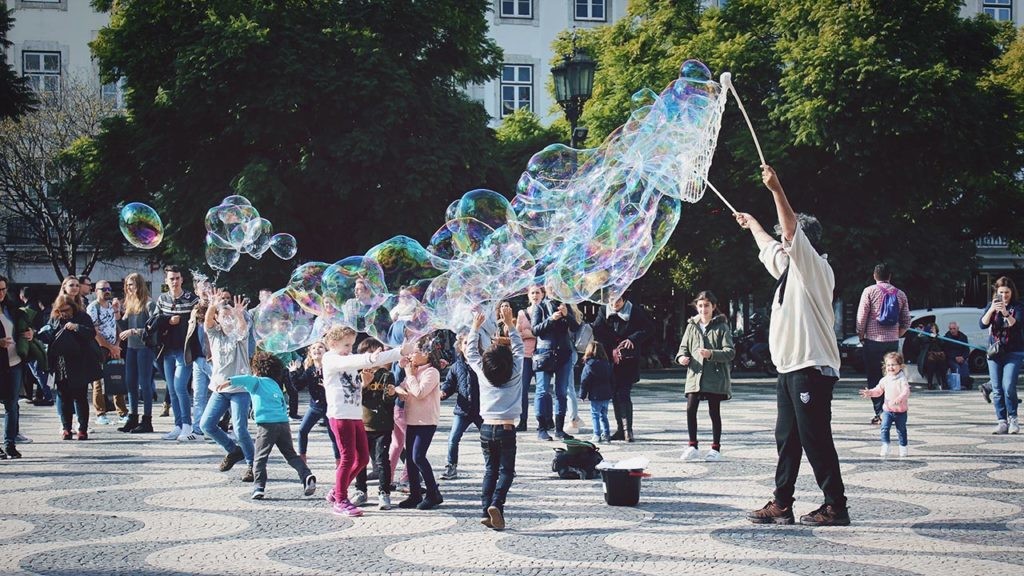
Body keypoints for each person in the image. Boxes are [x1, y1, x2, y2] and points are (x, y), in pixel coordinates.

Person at [737, 164, 849, 527]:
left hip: (811, 367)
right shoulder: (788, 270)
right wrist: (752, 222)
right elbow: (770, 244)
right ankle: (782, 502)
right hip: (789, 369)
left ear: (805, 243)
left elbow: (788, 231)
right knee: (786, 438)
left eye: (791, 242)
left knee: (815, 439)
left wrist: (776, 189)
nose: (785, 245)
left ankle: (836, 506)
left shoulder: (816, 268)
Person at [321, 325, 407, 517]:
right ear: (332, 344)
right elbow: (359, 360)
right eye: (345, 345)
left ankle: (337, 490)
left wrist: (400, 352)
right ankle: (341, 499)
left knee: (362, 459)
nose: (349, 349)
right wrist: (370, 358)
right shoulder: (330, 359)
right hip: (340, 415)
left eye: (351, 344)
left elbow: (353, 387)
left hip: (354, 414)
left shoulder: (347, 361)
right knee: (348, 458)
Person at [218, 351, 316, 500]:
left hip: (266, 425)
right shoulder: (276, 385)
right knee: (290, 455)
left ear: (256, 370)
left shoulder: (257, 381)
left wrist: (229, 381)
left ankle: (259, 486)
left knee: (260, 457)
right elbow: (283, 404)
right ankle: (306, 475)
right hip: (283, 424)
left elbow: (246, 379)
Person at [464, 304, 523, 531]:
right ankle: (496, 505)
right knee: (507, 471)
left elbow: (471, 353)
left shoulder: (483, 372)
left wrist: (475, 328)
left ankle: (485, 511)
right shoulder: (515, 371)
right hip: (507, 429)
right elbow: (518, 348)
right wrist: (509, 324)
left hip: (486, 428)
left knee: (490, 469)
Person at [200, 290, 255, 480]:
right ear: (218, 319)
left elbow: (242, 328)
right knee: (206, 425)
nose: (227, 319)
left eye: (229, 316)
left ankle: (252, 465)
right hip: (220, 389)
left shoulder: (240, 335)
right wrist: (213, 305)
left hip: (240, 389)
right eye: (223, 316)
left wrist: (239, 315)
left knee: (240, 429)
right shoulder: (215, 334)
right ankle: (233, 450)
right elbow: (207, 323)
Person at [675, 290, 734, 462]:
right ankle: (692, 445)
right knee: (690, 409)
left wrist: (711, 354)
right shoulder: (691, 326)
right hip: (695, 374)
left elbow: (730, 352)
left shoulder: (721, 326)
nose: (703, 309)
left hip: (714, 376)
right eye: (700, 306)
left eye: (706, 306)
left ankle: (715, 448)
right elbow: (682, 349)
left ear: (713, 307)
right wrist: (681, 358)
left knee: (714, 411)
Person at [592, 292, 654, 442]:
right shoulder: (603, 310)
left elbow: (648, 329)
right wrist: (611, 340)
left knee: (623, 393)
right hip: (610, 358)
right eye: (612, 299)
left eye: (618, 299)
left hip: (628, 358)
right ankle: (620, 429)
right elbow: (597, 330)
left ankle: (628, 430)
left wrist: (632, 339)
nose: (615, 303)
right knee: (613, 393)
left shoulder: (634, 310)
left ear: (624, 299)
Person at [38, 294, 101, 440]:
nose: (64, 313)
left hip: (79, 362)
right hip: (60, 364)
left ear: (72, 307)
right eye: (61, 311)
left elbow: (91, 333)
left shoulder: (82, 317)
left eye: (66, 310)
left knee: (80, 397)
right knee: (63, 396)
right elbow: (49, 336)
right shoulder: (55, 319)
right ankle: (66, 428)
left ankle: (82, 429)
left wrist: (76, 327)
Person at [394, 334, 444, 510]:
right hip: (412, 419)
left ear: (426, 354)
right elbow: (401, 386)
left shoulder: (432, 372)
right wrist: (400, 388)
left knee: (418, 456)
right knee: (410, 458)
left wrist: (409, 376)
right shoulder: (415, 371)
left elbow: (420, 392)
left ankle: (433, 493)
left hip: (426, 421)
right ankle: (415, 494)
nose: (411, 356)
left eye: (415, 352)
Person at [856, 263, 910, 424]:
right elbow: (907, 321)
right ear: (890, 276)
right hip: (892, 343)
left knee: (874, 378)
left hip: (873, 341)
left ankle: (880, 412)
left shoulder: (869, 291)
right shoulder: (900, 294)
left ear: (874, 276)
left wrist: (861, 335)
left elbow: (861, 317)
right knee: (892, 377)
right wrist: (896, 334)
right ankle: (892, 410)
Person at [154, 266, 200, 440]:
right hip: (167, 350)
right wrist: (168, 320)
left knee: (180, 386)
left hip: (184, 350)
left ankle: (187, 425)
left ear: (182, 279)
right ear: (166, 281)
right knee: (172, 389)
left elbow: (198, 318)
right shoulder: (162, 299)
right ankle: (178, 425)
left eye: (177, 278)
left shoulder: (190, 299)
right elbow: (156, 321)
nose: (174, 281)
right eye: (171, 278)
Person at [352, 338, 398, 510]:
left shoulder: (387, 375)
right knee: (361, 460)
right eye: (368, 354)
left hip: (382, 426)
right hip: (362, 424)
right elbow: (354, 399)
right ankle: (360, 490)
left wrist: (391, 394)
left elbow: (388, 401)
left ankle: (384, 493)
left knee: (381, 460)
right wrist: (365, 384)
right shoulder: (358, 374)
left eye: (376, 353)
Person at [530, 284, 579, 440]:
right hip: (545, 353)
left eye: (556, 286)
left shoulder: (565, 306)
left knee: (562, 392)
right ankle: (542, 429)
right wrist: (551, 319)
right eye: (551, 287)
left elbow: (575, 327)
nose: (554, 290)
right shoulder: (540, 307)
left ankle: (559, 429)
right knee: (542, 391)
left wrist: (567, 315)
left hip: (564, 352)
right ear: (547, 290)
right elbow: (535, 330)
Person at [116, 273, 159, 433]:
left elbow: (154, 330)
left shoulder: (149, 304)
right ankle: (132, 417)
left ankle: (147, 420)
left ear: (140, 285)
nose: (129, 288)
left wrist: (134, 331)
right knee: (130, 383)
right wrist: (117, 315)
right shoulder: (129, 303)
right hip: (132, 348)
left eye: (132, 284)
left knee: (145, 384)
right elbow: (123, 328)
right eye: (127, 285)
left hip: (145, 348)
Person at [980, 276, 1022, 435]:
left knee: (1008, 386)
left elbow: (1016, 324)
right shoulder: (991, 305)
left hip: (1014, 351)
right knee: (997, 388)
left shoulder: (1017, 306)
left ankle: (1013, 419)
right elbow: (982, 324)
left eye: (1007, 292)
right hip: (995, 352)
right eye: (1001, 292)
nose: (1004, 296)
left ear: (1012, 292)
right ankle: (1001, 421)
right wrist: (992, 310)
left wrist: (1005, 312)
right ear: (996, 293)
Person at [288, 341, 341, 466]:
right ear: (310, 354)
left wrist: (328, 386)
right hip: (315, 407)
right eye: (314, 348)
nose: (317, 349)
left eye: (320, 347)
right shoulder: (309, 370)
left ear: (327, 352)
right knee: (302, 430)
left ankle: (339, 461)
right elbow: (298, 386)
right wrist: (293, 373)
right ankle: (302, 458)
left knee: (333, 435)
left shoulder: (331, 368)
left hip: (330, 407)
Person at [439, 333, 481, 481]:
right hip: (462, 409)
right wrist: (443, 392)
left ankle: (502, 465)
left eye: (472, 343)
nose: (468, 346)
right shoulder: (457, 366)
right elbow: (450, 383)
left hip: (481, 409)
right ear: (460, 347)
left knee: (491, 438)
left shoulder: (482, 363)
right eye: (465, 343)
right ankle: (451, 466)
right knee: (453, 438)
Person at [1, 276, 32, 458]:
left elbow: (24, 326)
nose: (1, 293)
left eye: (4, 289)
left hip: (14, 362)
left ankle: (9, 443)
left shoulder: (11, 309)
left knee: (12, 405)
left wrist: (30, 333)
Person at [88, 280, 126, 426]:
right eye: (103, 289)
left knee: (117, 378)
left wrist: (117, 344)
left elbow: (114, 325)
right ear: (96, 291)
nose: (106, 291)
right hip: (100, 348)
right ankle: (100, 413)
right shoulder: (93, 307)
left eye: (108, 288)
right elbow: (95, 332)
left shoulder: (110, 306)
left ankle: (122, 412)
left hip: (113, 347)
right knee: (98, 382)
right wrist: (110, 347)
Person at [859, 351, 911, 458]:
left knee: (901, 430)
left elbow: (906, 392)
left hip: (900, 411)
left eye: (893, 365)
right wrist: (870, 393)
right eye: (888, 365)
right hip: (887, 410)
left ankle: (903, 447)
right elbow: (878, 390)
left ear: (900, 366)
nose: (890, 367)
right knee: (884, 428)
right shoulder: (885, 379)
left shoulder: (902, 379)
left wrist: (900, 398)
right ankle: (885, 445)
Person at [18, 286, 52, 406]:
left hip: (31, 344)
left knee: (38, 371)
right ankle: (43, 395)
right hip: (40, 342)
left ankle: (48, 396)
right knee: (40, 371)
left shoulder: (26, 310)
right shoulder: (39, 309)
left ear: (22, 296)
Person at [579, 341, 613, 444]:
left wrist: (582, 395)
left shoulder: (589, 364)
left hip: (595, 394)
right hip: (606, 394)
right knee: (604, 415)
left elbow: (584, 381)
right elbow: (612, 379)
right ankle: (607, 434)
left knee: (595, 415)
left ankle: (597, 434)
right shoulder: (607, 364)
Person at [515, 298, 537, 432]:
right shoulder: (522, 313)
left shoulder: (545, 310)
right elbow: (517, 334)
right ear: (528, 296)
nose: (535, 295)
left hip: (540, 354)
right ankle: (523, 421)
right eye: (533, 293)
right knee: (523, 390)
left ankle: (546, 420)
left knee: (542, 390)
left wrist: (531, 333)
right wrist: (533, 334)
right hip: (525, 355)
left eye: (538, 292)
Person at [942, 322, 972, 391]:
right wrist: (954, 357)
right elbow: (946, 351)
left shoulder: (963, 337)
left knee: (965, 366)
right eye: (950, 329)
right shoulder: (946, 338)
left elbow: (966, 349)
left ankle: (964, 384)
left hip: (961, 357)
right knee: (956, 367)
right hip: (951, 358)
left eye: (954, 328)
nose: (952, 330)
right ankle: (958, 384)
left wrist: (963, 357)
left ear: (958, 329)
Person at [917, 323, 947, 391]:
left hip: (939, 357)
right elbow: (920, 342)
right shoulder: (926, 337)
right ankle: (930, 384)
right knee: (931, 365)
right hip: (929, 358)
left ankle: (944, 383)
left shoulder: (939, 337)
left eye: (933, 328)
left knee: (942, 365)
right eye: (930, 328)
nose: (931, 330)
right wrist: (922, 334)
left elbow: (942, 344)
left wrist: (935, 336)